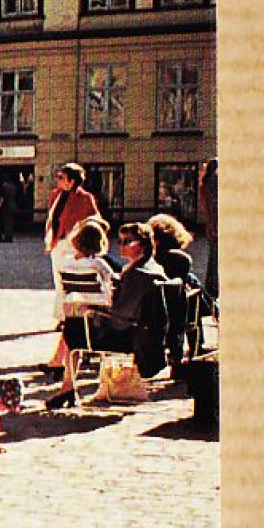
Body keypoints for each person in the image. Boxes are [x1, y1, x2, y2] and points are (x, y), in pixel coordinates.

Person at [48, 222, 170, 409]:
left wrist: (96, 309)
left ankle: (67, 387)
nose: (121, 245)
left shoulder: (139, 274)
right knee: (75, 326)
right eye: (120, 241)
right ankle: (67, 387)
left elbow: (121, 315)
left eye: (127, 241)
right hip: (137, 331)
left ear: (143, 245)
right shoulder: (149, 268)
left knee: (73, 328)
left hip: (125, 335)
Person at [44, 217, 115, 377]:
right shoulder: (98, 263)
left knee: (73, 324)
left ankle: (59, 363)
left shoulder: (66, 262)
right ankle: (60, 362)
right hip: (99, 309)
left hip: (76, 306)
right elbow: (112, 280)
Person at [43, 164, 100, 310]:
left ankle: (69, 316)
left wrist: (84, 242)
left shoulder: (85, 198)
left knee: (72, 281)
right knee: (59, 280)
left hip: (74, 244)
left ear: (72, 181)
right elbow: (52, 218)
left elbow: (95, 221)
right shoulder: (55, 194)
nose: (58, 180)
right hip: (57, 242)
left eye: (62, 177)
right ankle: (62, 315)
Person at [148, 213, 198, 368]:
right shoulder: (180, 262)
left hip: (151, 312)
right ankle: (197, 348)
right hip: (178, 312)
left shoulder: (148, 262)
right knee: (194, 286)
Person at [197, 158, 218, 299]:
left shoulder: (205, 184)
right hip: (216, 226)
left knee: (214, 257)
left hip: (213, 226)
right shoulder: (214, 180)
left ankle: (212, 291)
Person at [0, 179, 17, 243]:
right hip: (12, 207)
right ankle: (9, 237)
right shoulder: (13, 187)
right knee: (10, 223)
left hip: (7, 208)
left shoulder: (3, 188)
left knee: (6, 223)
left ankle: (6, 237)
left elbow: (2, 198)